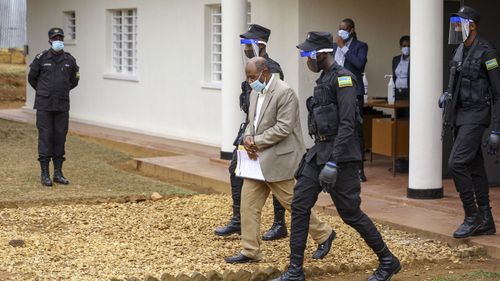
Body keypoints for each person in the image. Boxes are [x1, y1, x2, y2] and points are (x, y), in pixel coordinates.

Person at [272, 32, 400, 281]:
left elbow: (348, 124)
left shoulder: (344, 79)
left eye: (309, 54)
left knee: (350, 213)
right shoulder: (324, 79)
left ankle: (388, 260)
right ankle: (295, 271)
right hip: (319, 153)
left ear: (322, 54)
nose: (306, 60)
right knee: (299, 205)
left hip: (341, 157)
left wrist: (333, 162)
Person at [224, 57, 335, 264]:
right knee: (248, 204)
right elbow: (251, 122)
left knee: (294, 204)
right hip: (256, 160)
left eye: (252, 76)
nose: (249, 81)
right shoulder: (256, 91)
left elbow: (284, 128)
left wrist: (255, 141)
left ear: (264, 72)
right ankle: (250, 251)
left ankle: (324, 234)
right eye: (247, 77)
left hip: (279, 160)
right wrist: (248, 136)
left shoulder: (285, 92)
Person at [215, 24, 288, 241]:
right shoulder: (251, 68)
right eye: (244, 44)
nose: (245, 48)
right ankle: (238, 220)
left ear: (260, 45)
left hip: (267, 130)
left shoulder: (272, 69)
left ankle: (279, 224)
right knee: (235, 169)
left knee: (274, 175)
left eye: (249, 44)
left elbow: (272, 103)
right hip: (249, 127)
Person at [441, 6, 499, 238]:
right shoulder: (459, 51)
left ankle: (472, 216)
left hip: (476, 115)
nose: (455, 28)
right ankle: (486, 219)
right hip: (460, 116)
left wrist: (496, 128)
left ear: (471, 26)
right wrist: (446, 95)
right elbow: (455, 83)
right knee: (474, 167)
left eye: (459, 24)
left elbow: (498, 94)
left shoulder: (487, 52)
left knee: (456, 164)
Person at [28, 27, 80, 187]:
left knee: (60, 137)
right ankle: (45, 174)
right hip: (44, 105)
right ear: (50, 40)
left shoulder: (69, 60)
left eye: (60, 38)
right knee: (45, 137)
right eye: (55, 38)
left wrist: (61, 91)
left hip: (62, 106)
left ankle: (58, 173)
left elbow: (74, 80)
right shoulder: (41, 58)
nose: (58, 40)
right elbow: (32, 78)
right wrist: (44, 91)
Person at [333, 18, 368, 182]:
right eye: (339, 28)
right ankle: (338, 165)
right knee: (337, 128)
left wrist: (343, 47)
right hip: (336, 91)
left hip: (354, 91)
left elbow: (359, 64)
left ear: (352, 30)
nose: (341, 32)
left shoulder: (360, 46)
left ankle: (359, 169)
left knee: (356, 130)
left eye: (344, 29)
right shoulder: (333, 47)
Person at [392, 35, 410, 101]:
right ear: (400, 47)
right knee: (398, 111)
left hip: (408, 93)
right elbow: (394, 76)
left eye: (409, 46)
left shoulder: (414, 61)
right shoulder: (395, 59)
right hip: (397, 92)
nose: (407, 48)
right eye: (404, 46)